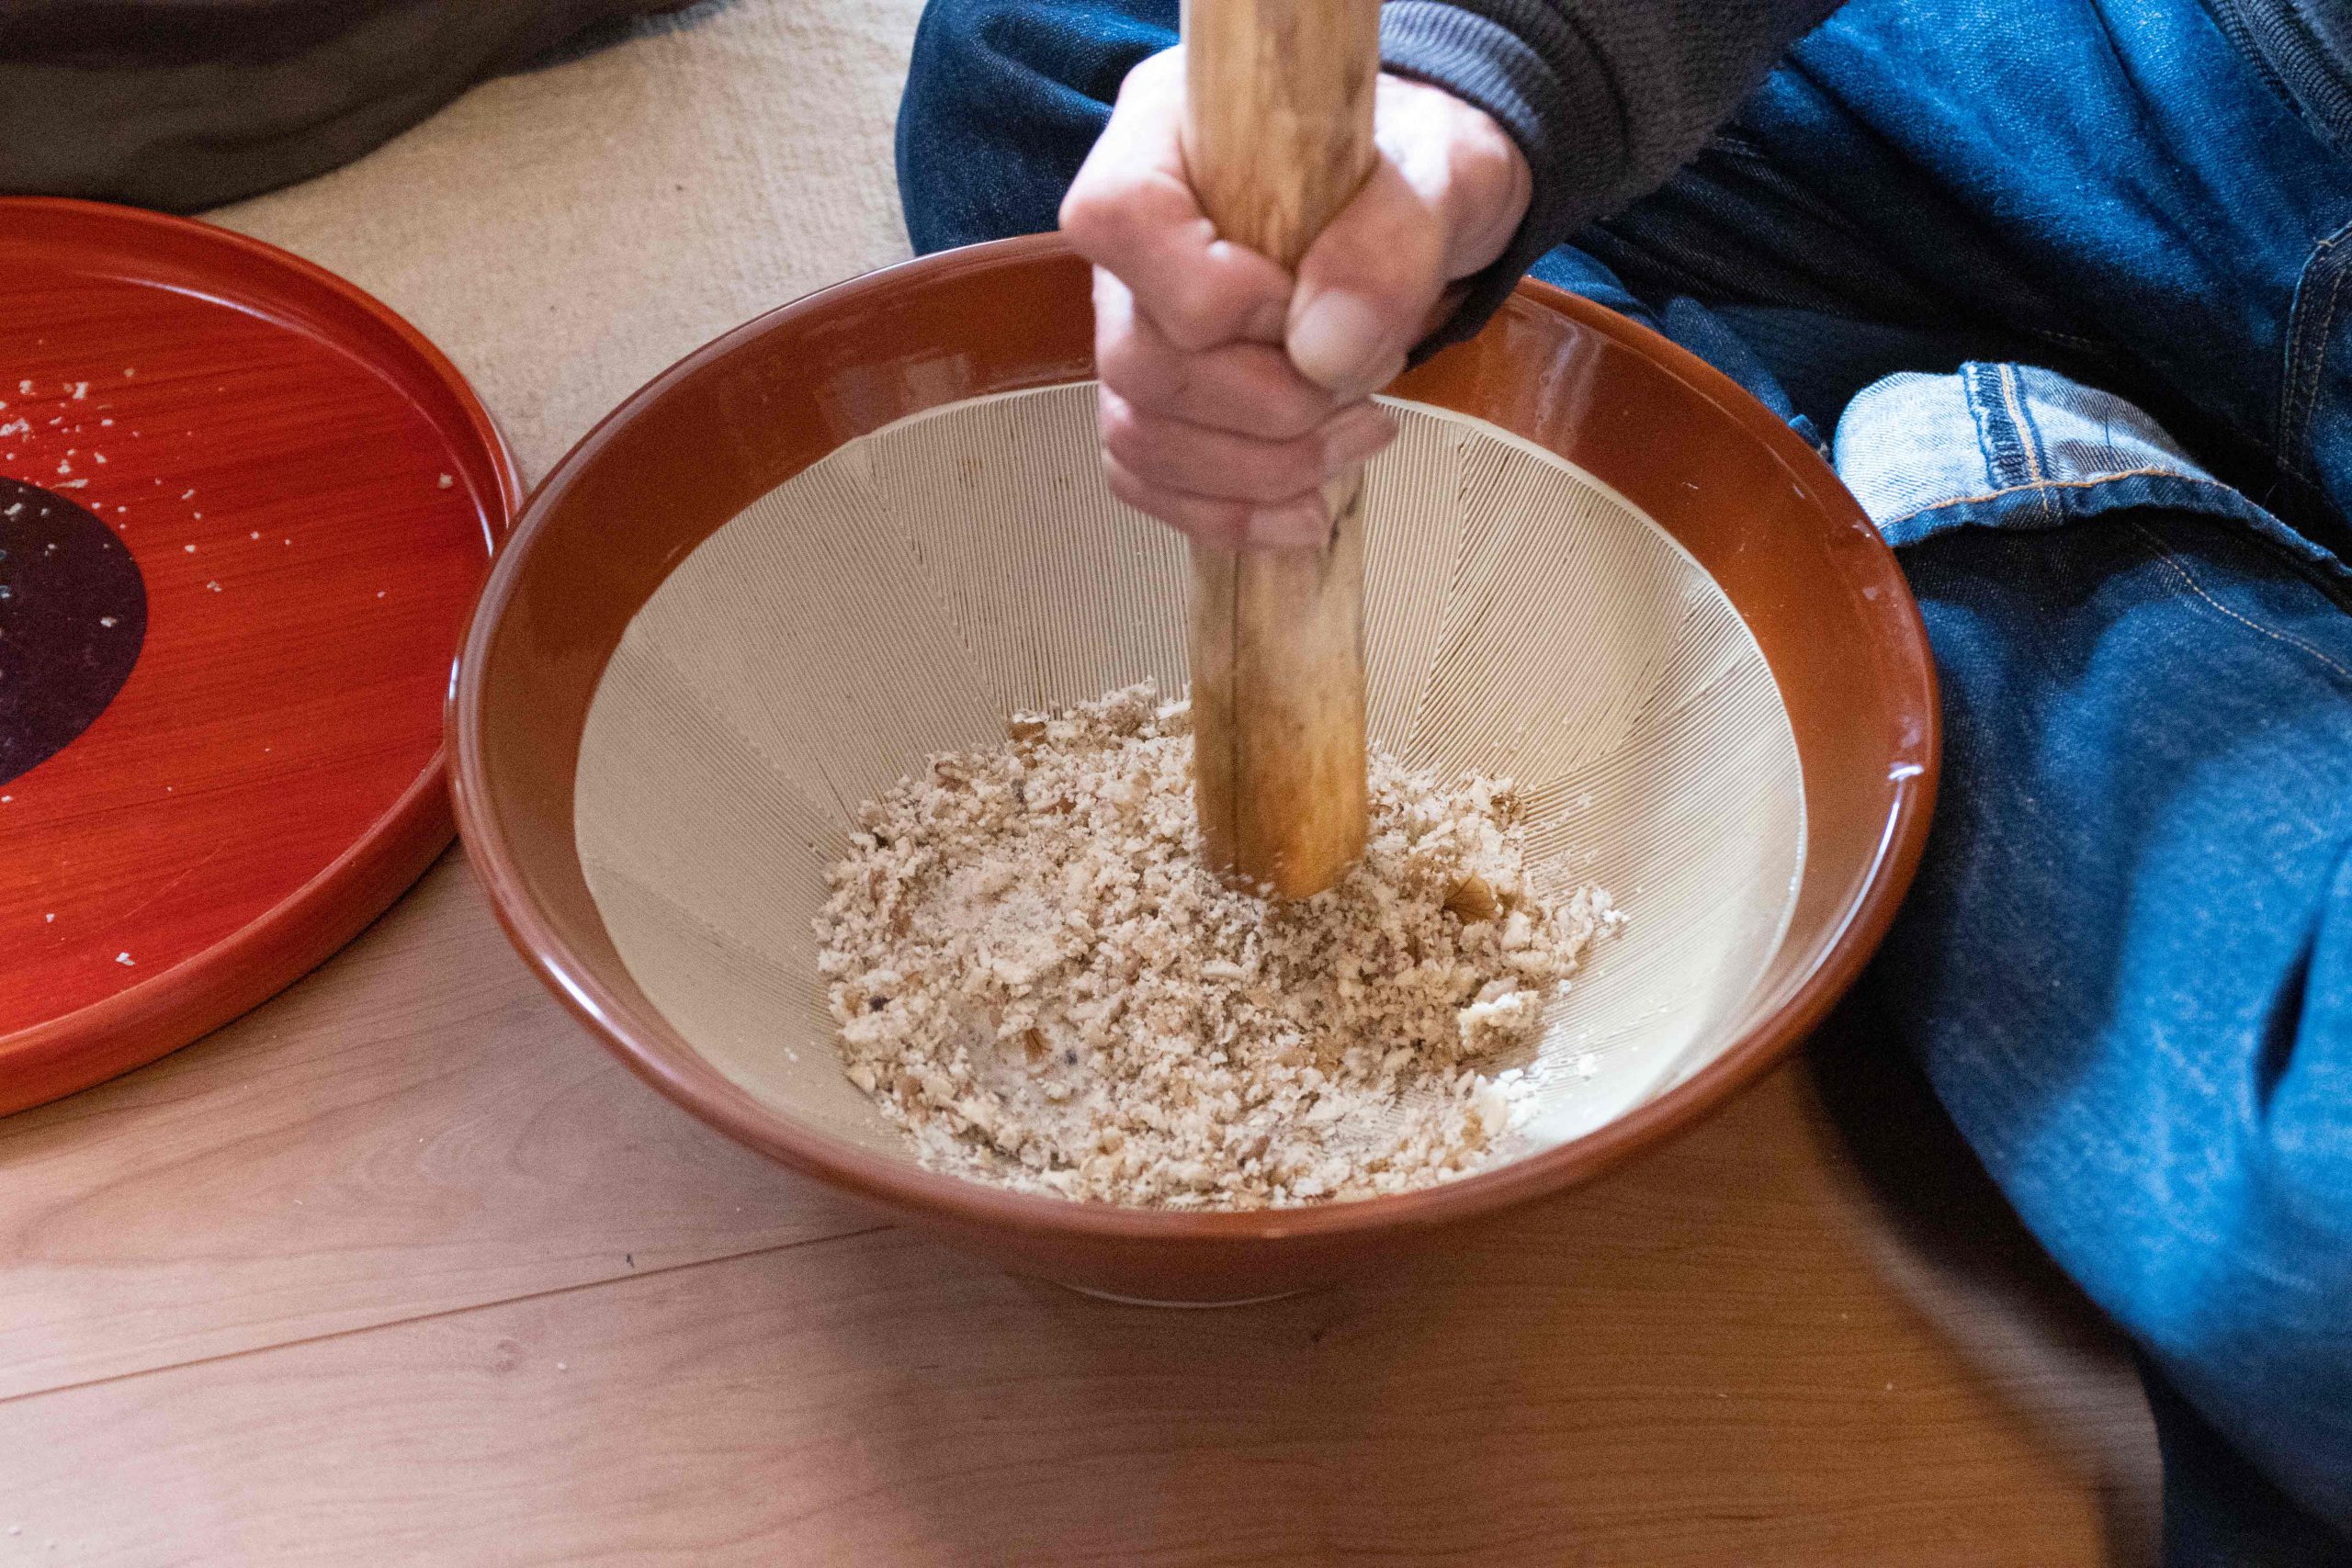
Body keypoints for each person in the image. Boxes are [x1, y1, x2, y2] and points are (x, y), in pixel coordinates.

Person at [895, 0, 2352, 1559]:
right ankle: (1854, 494)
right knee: (1071, 93)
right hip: (2234, 81)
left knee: (2318, 1248)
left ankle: (1903, 486)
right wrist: (1508, 67)